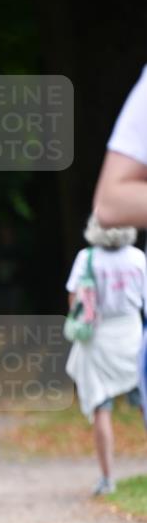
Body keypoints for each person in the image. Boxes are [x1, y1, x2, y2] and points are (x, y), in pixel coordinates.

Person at [65, 214, 146, 495]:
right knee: (143, 403)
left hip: (97, 338)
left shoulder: (87, 258)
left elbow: (74, 299)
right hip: (133, 336)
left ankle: (107, 477)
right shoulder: (137, 258)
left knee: (101, 407)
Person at [94, 64, 147, 426]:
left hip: (119, 331)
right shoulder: (92, 259)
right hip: (116, 331)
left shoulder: (90, 258)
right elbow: (112, 199)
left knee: (102, 402)